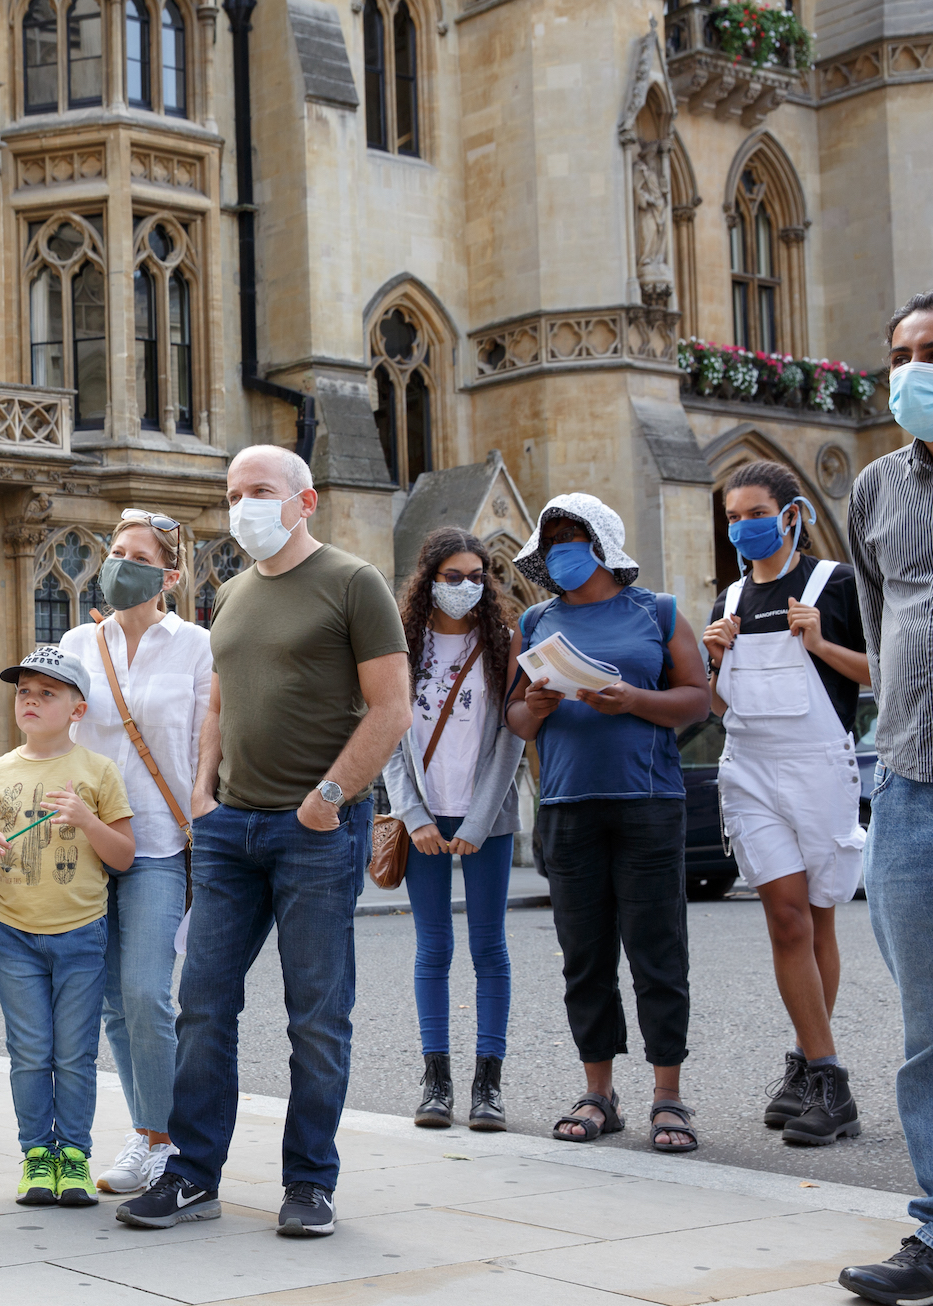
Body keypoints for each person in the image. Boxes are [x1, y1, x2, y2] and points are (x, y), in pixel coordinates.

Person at [120, 444, 410, 1241]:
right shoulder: (235, 592)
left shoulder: (354, 583)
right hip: (227, 831)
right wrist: (203, 792)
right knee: (203, 1005)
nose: (244, 502)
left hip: (315, 833)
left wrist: (327, 799)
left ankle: (309, 1182)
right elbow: (219, 704)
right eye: (234, 491)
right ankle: (191, 1175)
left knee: (317, 1015)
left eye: (260, 489)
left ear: (304, 500)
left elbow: (392, 708)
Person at [505, 494, 710, 1154]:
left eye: (573, 536)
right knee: (584, 955)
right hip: (568, 805)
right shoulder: (535, 620)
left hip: (647, 801)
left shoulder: (658, 611)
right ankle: (600, 1091)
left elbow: (698, 699)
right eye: (553, 537)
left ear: (602, 546)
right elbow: (514, 719)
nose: (561, 548)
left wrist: (634, 698)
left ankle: (668, 1095)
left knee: (657, 949)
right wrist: (534, 704)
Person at [702, 460, 868, 1146]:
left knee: (819, 919)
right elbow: (714, 707)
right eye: (733, 516)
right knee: (786, 918)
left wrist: (822, 642)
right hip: (752, 771)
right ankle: (831, 1077)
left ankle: (806, 1063)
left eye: (754, 512)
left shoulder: (836, 584)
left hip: (821, 768)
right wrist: (712, 662)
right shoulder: (729, 598)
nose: (743, 525)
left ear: (791, 513)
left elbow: (884, 672)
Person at [59, 510, 213, 1193]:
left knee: (148, 991)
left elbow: (209, 744)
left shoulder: (197, 647)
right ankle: (149, 1130)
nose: (117, 562)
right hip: (87, 840)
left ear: (168, 574)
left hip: (155, 840)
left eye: (134, 554)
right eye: (113, 551)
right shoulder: (77, 641)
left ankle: (162, 1136)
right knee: (113, 1004)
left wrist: (206, 812)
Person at [838, 291, 933, 1306]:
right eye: (899, 352)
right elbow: (878, 626)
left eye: (930, 351)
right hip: (909, 785)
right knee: (926, 1030)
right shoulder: (874, 488)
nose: (911, 371)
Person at [0, 646, 135, 1207]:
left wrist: (87, 819)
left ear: (77, 709)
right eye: (24, 692)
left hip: (82, 933)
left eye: (47, 693)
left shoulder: (97, 772)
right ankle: (38, 1155)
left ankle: (75, 1157)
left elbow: (124, 857)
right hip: (14, 934)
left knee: (74, 1054)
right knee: (31, 1051)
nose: (31, 701)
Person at [382, 527, 525, 1133]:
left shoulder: (504, 643)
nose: (466, 587)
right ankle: (435, 1081)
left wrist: (478, 820)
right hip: (424, 822)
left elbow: (512, 738)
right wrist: (413, 817)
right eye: (452, 577)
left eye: (476, 576)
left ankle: (487, 1085)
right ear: (428, 579)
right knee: (433, 947)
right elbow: (386, 733)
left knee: (489, 947)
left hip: (485, 818)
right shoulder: (401, 645)